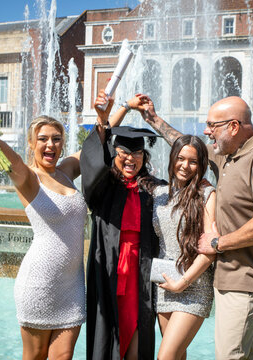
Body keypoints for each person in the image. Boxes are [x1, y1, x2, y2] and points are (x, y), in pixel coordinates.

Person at [139, 95, 253, 360]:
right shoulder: (228, 158)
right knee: (243, 353)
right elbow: (185, 146)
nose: (207, 131)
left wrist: (218, 243)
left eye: (212, 125)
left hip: (246, 274)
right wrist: (152, 119)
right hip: (226, 273)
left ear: (233, 126)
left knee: (229, 355)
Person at [0, 116, 86, 360]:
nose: (50, 145)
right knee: (35, 356)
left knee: (63, 357)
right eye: (42, 139)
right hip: (39, 283)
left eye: (56, 139)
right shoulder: (29, 178)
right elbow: (14, 162)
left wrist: (116, 112)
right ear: (31, 143)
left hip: (72, 285)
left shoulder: (66, 171)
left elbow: (94, 145)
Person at [80, 91, 164, 360]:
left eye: (137, 152)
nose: (131, 158)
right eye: (124, 152)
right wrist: (120, 110)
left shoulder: (154, 189)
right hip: (109, 270)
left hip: (142, 275)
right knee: (108, 335)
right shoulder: (104, 188)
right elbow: (95, 154)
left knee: (138, 338)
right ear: (114, 154)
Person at [152, 134, 216, 360]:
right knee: (177, 355)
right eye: (180, 158)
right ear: (172, 158)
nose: (185, 166)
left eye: (193, 161)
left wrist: (183, 282)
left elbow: (210, 250)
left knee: (165, 357)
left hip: (194, 286)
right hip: (165, 285)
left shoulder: (207, 194)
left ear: (201, 165)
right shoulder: (159, 193)